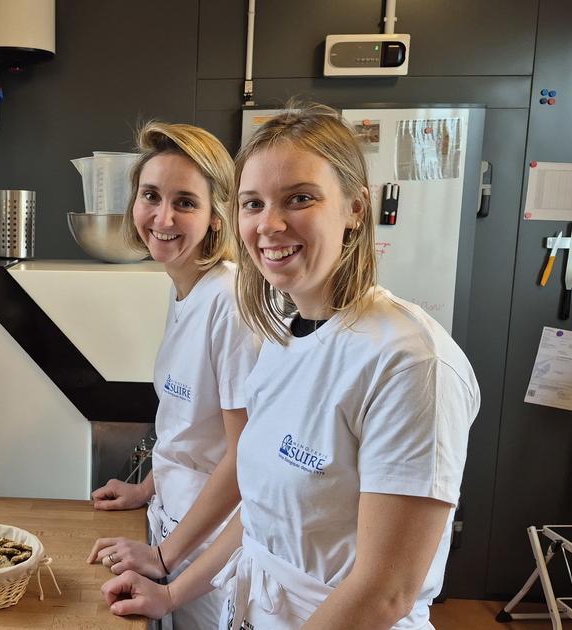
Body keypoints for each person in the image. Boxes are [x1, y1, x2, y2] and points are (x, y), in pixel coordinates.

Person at [100, 103, 480, 629]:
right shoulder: (283, 339)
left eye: (300, 198)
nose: (270, 224)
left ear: (354, 208)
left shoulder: (411, 363)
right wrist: (170, 594)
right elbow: (257, 519)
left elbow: (384, 593)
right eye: (254, 203)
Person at [85, 121, 261, 629]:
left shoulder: (228, 302)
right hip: (173, 524)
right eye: (151, 196)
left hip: (210, 551)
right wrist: (147, 490)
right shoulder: (186, 285)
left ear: (216, 217)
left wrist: (165, 557)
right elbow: (190, 427)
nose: (162, 217)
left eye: (185, 202)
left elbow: (244, 460)